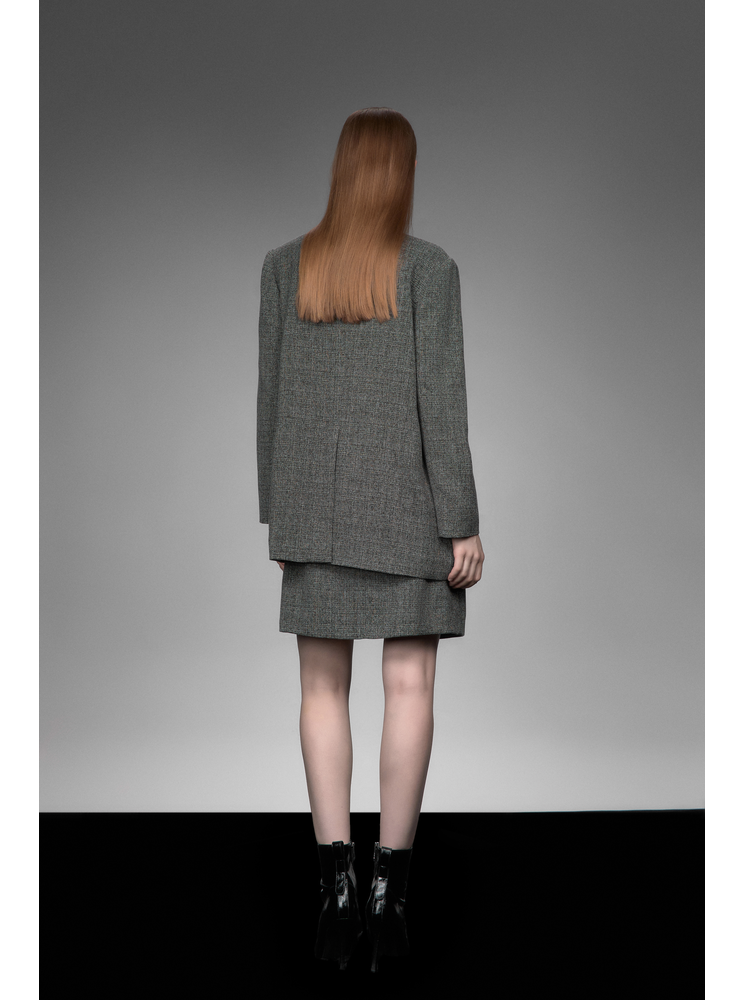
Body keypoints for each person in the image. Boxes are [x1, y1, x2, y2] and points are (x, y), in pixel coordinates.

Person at [256, 107, 484, 973]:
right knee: (410, 687)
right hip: (408, 510)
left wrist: (278, 512)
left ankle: (335, 896)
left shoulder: (285, 269)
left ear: (342, 171)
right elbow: (442, 404)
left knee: (321, 691)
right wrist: (460, 519)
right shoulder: (430, 270)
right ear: (403, 174)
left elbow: (270, 399)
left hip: (313, 511)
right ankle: (389, 903)